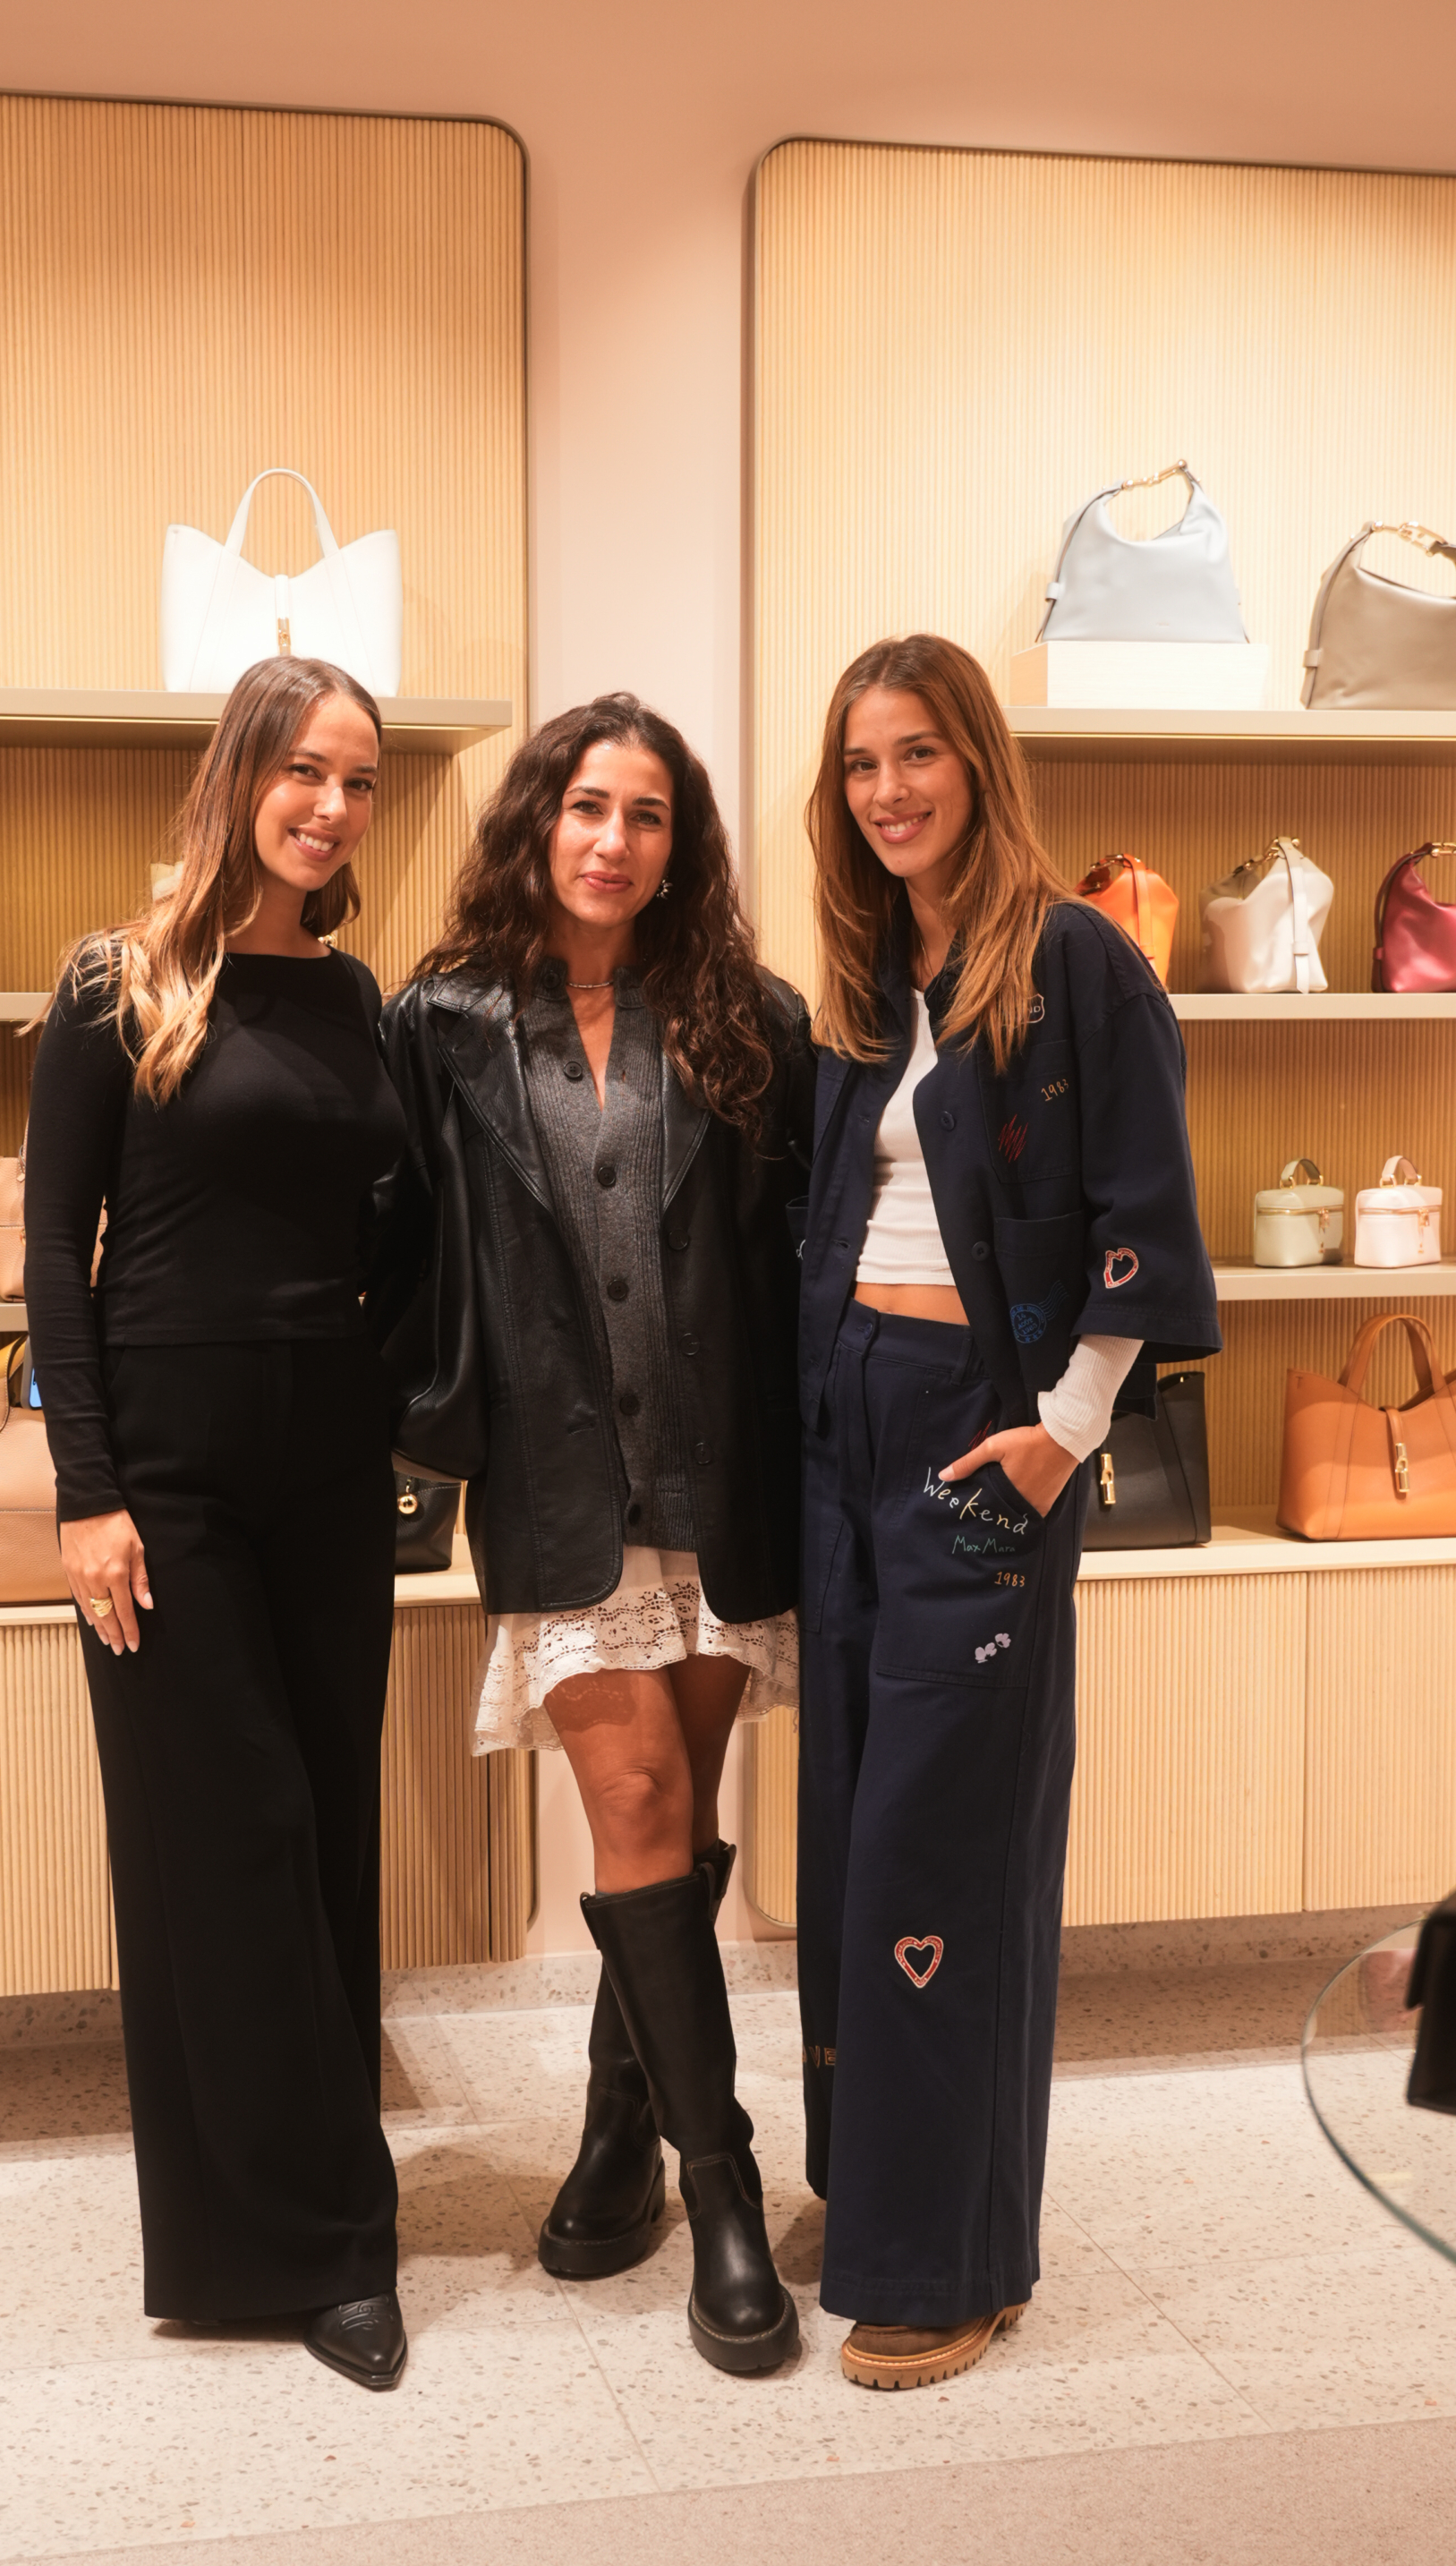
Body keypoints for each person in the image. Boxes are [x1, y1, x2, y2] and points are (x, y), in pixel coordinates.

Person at [796, 635, 1219, 2391]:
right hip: (846, 1419)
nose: (888, 790)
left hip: (986, 1429)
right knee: (847, 1822)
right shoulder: (861, 974)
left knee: (941, 1847)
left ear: (978, 762)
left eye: (918, 753)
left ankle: (948, 2257)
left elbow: (1145, 1212)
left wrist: (1064, 1429)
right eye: (860, 763)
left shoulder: (1075, 960)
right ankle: (879, 2193)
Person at [380, 695, 812, 2375]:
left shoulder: (749, 1018)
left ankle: (619, 2132)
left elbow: (787, 1257)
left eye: (646, 814)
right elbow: (397, 1240)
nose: (612, 840)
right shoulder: (442, 1023)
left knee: (677, 1818)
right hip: (558, 1490)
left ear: (678, 844)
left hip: (722, 1485)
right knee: (632, 1803)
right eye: (585, 806)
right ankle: (723, 2187)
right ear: (536, 823)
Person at [24, 656, 413, 2391]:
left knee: (325, 1835)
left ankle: (332, 2217)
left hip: (332, 1473)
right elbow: (55, 1253)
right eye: (307, 771)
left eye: (361, 781)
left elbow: (387, 1229)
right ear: (244, 772)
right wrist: (88, 1492)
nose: (332, 807)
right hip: (167, 1478)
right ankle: (295, 2249)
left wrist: (387, 1395)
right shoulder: (119, 983)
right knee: (226, 1841)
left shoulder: (356, 995)